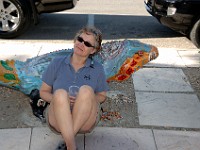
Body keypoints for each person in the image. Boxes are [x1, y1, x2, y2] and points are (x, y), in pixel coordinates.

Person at [40, 26, 109, 150]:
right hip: (58, 118)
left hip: (85, 119)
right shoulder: (57, 62)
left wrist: (85, 99)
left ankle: (68, 140)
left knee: (87, 90)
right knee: (60, 93)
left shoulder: (97, 68)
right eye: (80, 39)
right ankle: (71, 146)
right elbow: (43, 92)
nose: (81, 44)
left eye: (87, 43)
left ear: (93, 50)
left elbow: (102, 96)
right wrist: (59, 99)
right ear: (75, 40)